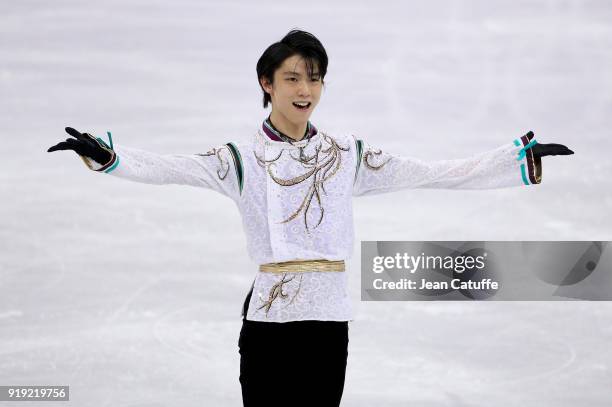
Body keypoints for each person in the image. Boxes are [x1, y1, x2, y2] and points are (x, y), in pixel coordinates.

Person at [47, 29, 573, 407]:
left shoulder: (348, 155)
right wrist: (110, 157)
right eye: (293, 78)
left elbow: (432, 172)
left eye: (315, 79)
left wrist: (513, 160)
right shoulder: (240, 158)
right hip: (270, 321)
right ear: (267, 83)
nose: (306, 90)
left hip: (327, 322)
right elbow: (172, 169)